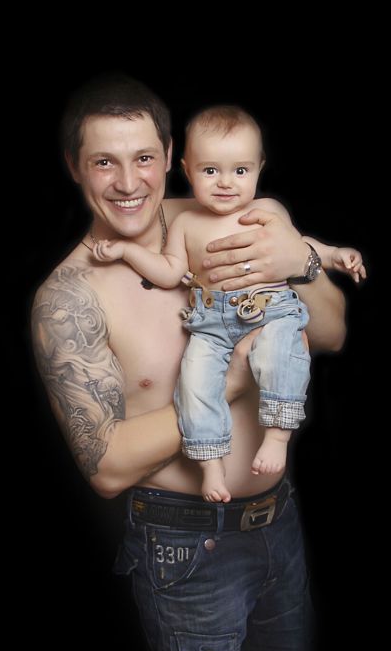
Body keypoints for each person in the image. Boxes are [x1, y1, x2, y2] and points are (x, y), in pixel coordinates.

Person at [31, 73, 363, 651]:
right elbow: (107, 464)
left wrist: (301, 264)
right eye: (103, 163)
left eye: (142, 158)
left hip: (274, 522)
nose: (127, 181)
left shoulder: (230, 217)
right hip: (185, 547)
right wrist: (224, 385)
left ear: (171, 155)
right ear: (76, 169)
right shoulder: (71, 298)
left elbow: (332, 334)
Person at [92, 105, 365, 502]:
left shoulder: (267, 211)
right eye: (210, 171)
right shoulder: (187, 224)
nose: (226, 183)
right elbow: (169, 272)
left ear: (259, 167)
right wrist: (125, 251)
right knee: (195, 383)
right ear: (186, 170)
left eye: (240, 171)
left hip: (270, 311)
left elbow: (300, 245)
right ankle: (210, 464)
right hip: (210, 324)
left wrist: (332, 254)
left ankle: (276, 436)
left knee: (281, 352)